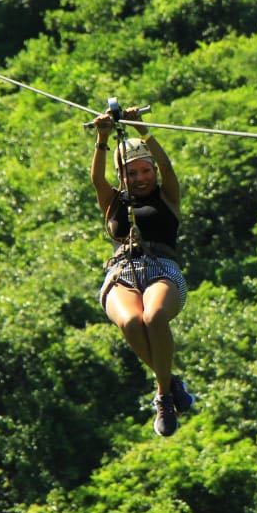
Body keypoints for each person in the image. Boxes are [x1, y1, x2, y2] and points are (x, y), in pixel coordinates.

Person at [91, 109, 195, 436]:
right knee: (131, 321)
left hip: (161, 268)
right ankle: (169, 382)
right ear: (123, 177)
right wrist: (103, 139)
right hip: (122, 271)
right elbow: (97, 179)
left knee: (153, 318)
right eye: (132, 173)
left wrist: (142, 129)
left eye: (145, 171)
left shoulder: (167, 196)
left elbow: (167, 167)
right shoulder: (113, 201)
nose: (141, 178)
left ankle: (163, 395)